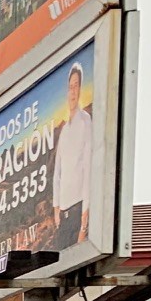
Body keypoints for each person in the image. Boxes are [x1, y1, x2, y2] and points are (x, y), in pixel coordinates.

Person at [50, 63, 93, 248]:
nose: (73, 91)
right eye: (70, 87)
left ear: (81, 89)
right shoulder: (65, 130)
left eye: (76, 86)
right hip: (64, 215)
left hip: (78, 210)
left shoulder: (85, 121)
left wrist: (84, 220)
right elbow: (57, 172)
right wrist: (56, 208)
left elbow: (88, 168)